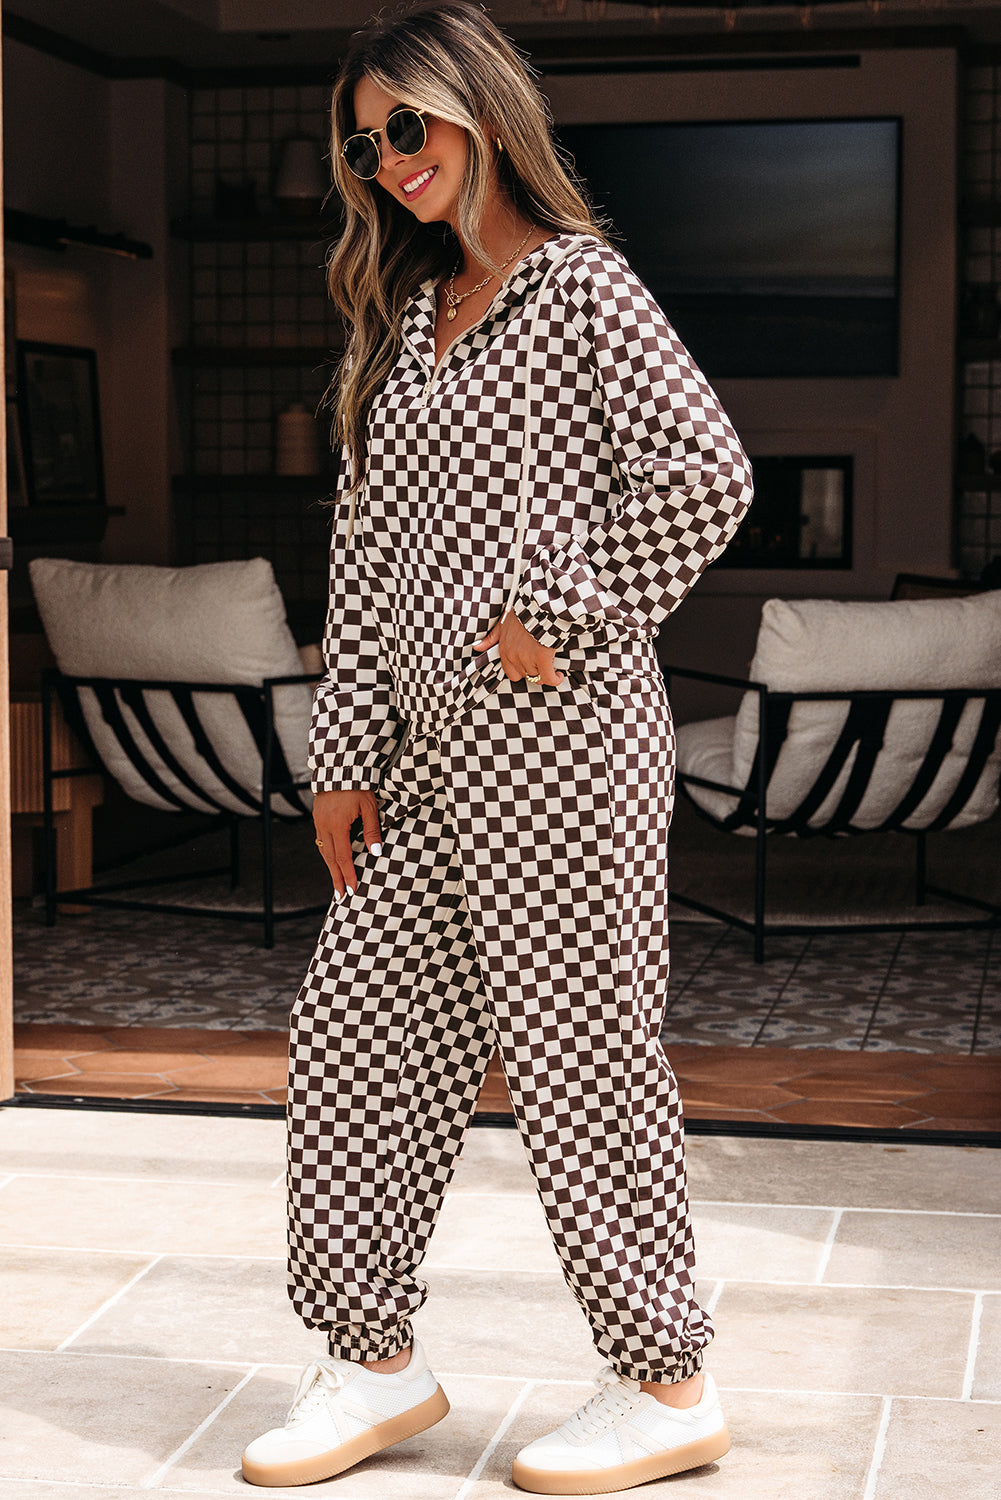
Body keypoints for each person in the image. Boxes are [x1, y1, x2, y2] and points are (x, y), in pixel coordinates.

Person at [242, 2, 753, 1492]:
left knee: (581, 1061)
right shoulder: (405, 319)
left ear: (479, 110)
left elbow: (707, 471)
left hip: (561, 756)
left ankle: (664, 1387)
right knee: (355, 1040)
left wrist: (564, 611)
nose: (390, 161)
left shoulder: (582, 286)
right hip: (416, 770)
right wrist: (343, 752)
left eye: (407, 125)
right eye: (364, 145)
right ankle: (371, 1367)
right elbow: (365, 555)